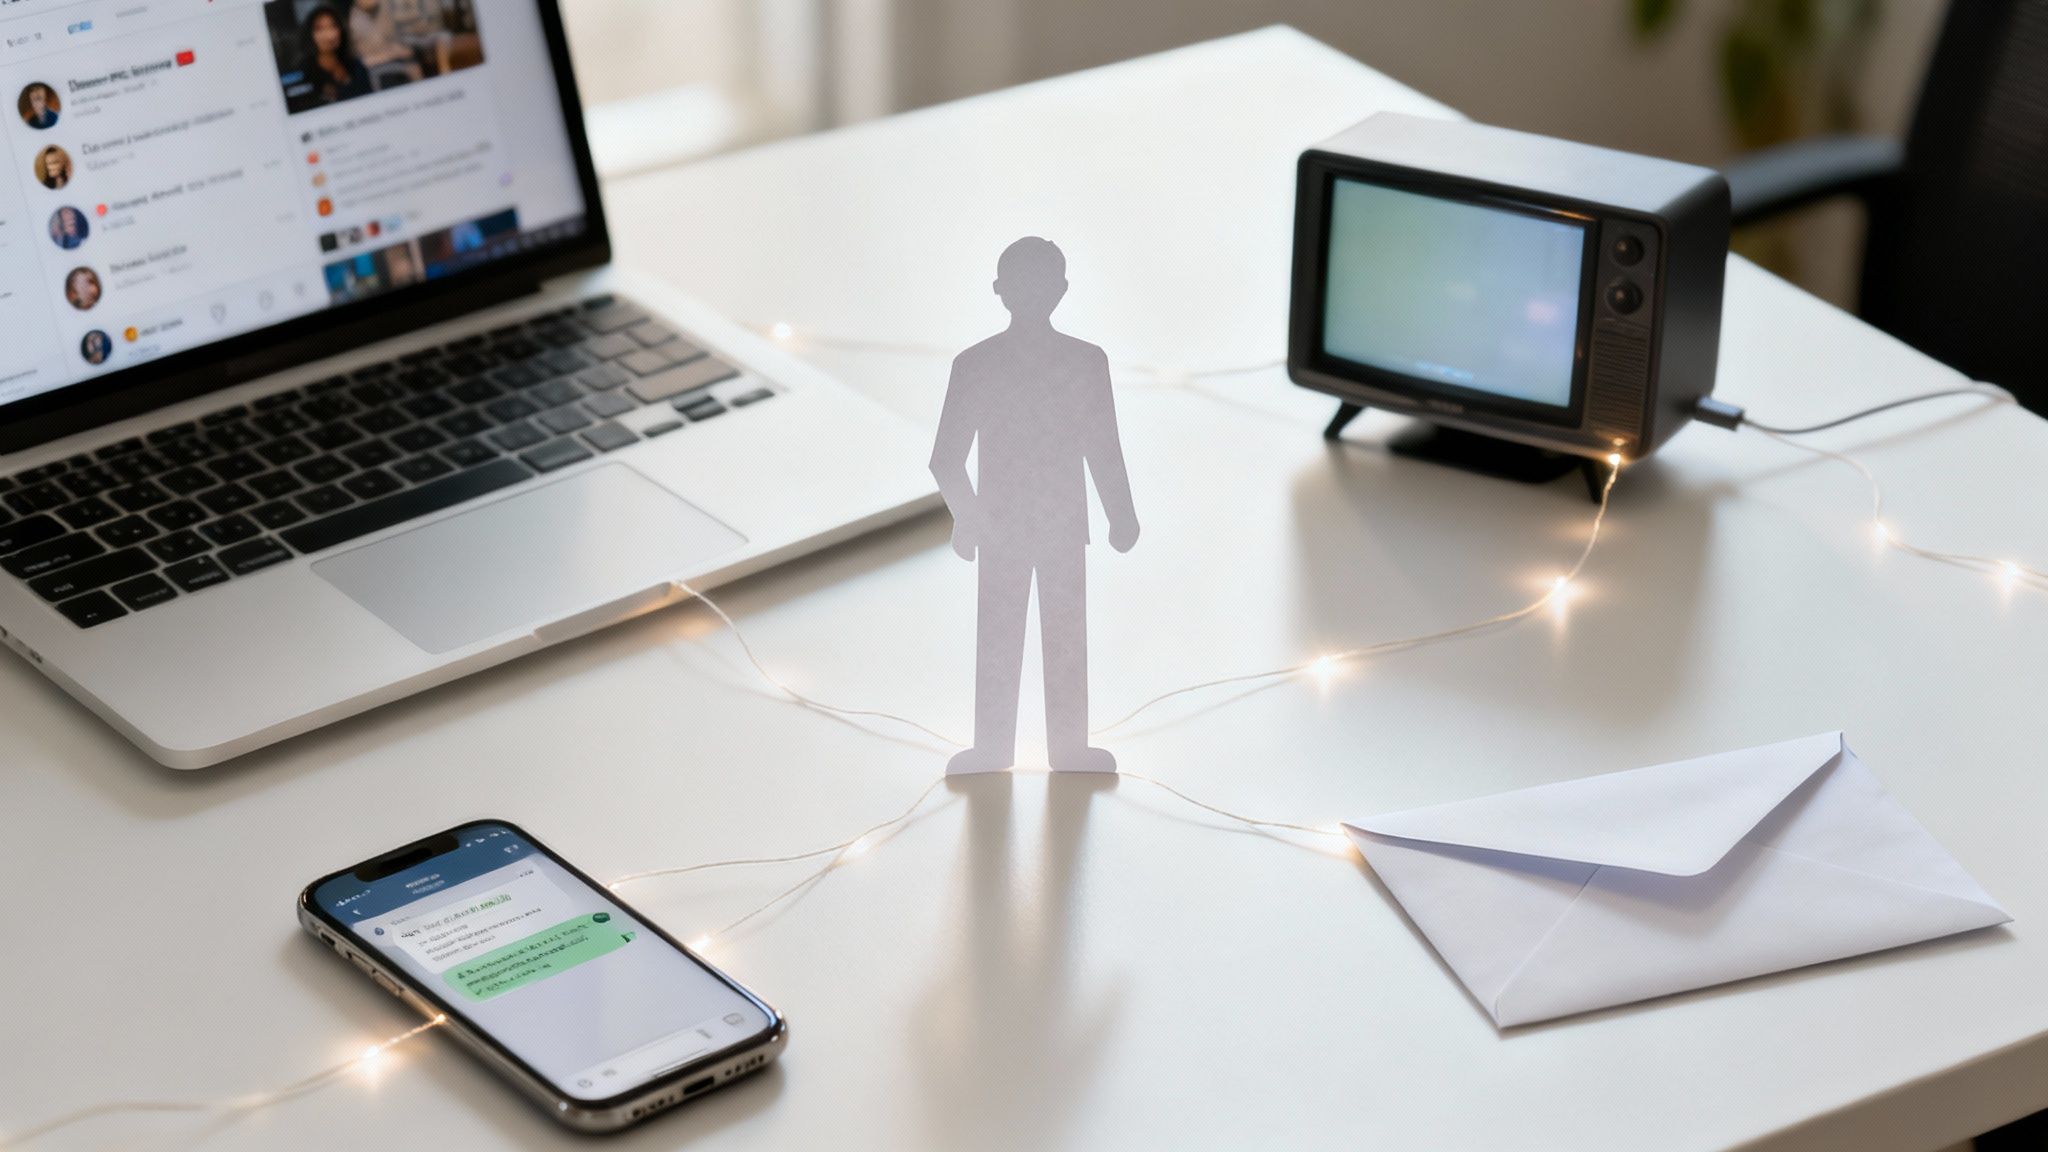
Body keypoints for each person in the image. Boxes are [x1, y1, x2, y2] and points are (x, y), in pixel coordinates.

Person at [929, 237, 1140, 775]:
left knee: (1052, 637)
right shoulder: (1049, 363)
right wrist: (971, 519)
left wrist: (1122, 513)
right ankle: (1007, 749)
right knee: (1017, 639)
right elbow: (946, 459)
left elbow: (1103, 445)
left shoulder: (1066, 362)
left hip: (1036, 526)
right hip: (1026, 527)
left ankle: (1048, 750)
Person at [297, 5, 371, 107]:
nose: (329, 35)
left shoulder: (356, 66)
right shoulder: (304, 74)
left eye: (333, 26)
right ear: (309, 34)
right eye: (319, 29)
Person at [349, 0, 423, 84]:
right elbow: (362, 62)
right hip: (375, 69)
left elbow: (405, 43)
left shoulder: (387, 7)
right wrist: (392, 54)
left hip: (402, 60)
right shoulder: (353, 24)